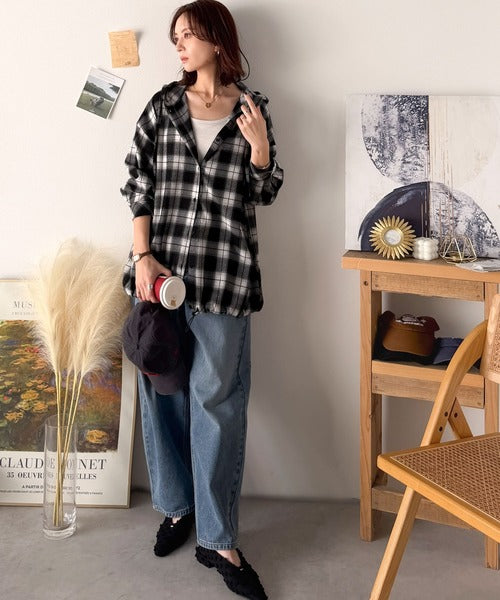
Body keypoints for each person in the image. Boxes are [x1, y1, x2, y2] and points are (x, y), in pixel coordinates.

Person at [120, 1, 283, 598]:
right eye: (176, 37)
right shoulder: (162, 106)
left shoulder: (251, 109)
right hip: (160, 279)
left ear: (217, 39)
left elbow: (265, 191)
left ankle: (218, 539)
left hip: (224, 279)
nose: (180, 45)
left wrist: (260, 149)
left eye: (189, 34)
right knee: (163, 393)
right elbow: (137, 181)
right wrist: (142, 256)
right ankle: (177, 508)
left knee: (217, 403)